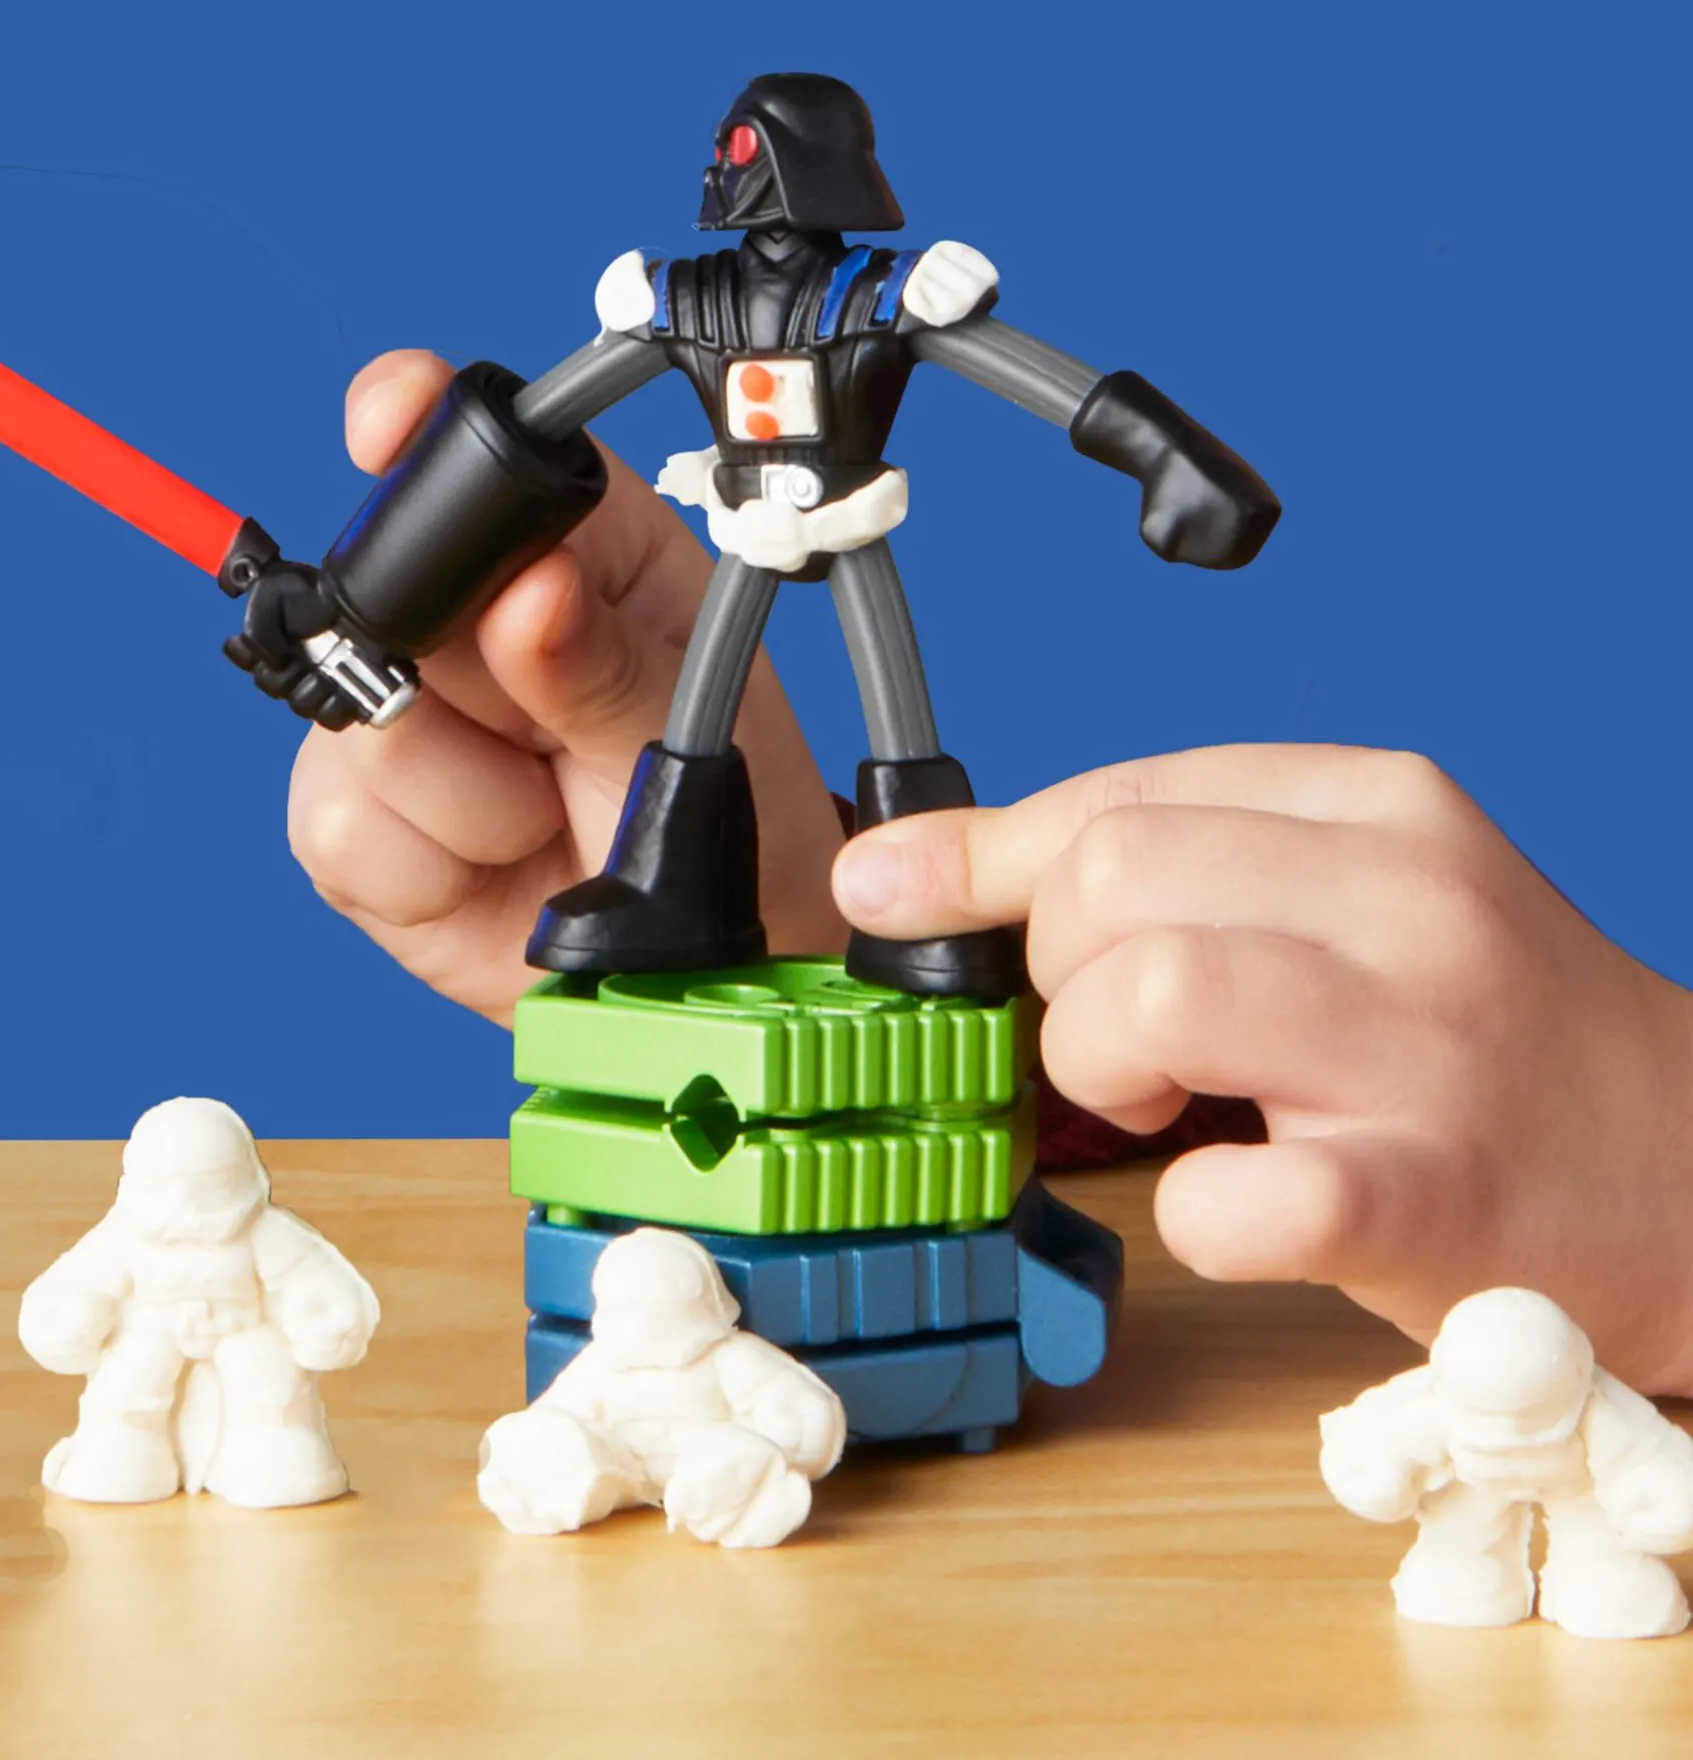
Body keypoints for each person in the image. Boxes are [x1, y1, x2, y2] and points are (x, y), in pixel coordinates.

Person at [292, 349, 1693, 1400]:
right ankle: (722, 881)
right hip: (753, 544)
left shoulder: (875, 304)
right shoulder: (693, 305)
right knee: (723, 685)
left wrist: (1159, 454)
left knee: (887, 680)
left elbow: (1013, 370)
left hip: (845, 520)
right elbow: (543, 417)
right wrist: (808, 926)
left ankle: (907, 907)